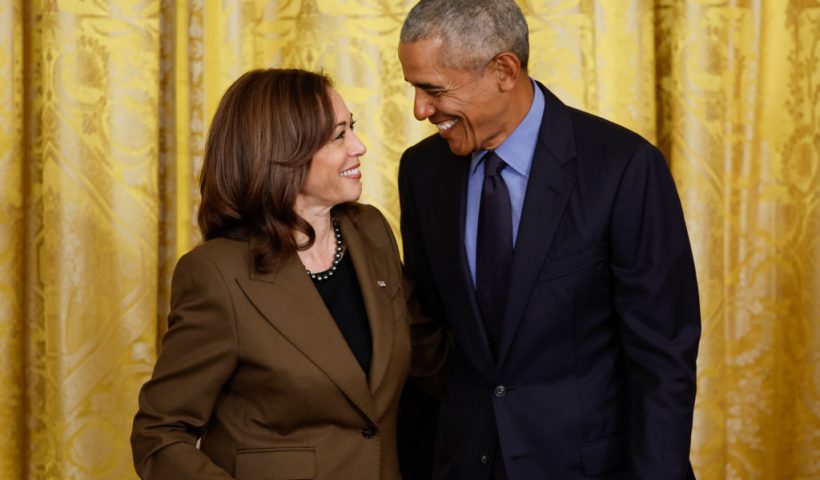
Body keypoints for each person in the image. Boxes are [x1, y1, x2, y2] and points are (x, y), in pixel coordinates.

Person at [396, 1, 701, 479]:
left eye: (432, 89)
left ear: (503, 69)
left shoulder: (622, 167)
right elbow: (428, 332)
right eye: (414, 88)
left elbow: (662, 360)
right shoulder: (422, 171)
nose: (420, 110)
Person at [131, 68, 420, 479]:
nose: (359, 146)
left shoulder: (370, 230)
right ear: (284, 152)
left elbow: (418, 363)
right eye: (339, 135)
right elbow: (158, 434)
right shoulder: (216, 274)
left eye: (351, 128)